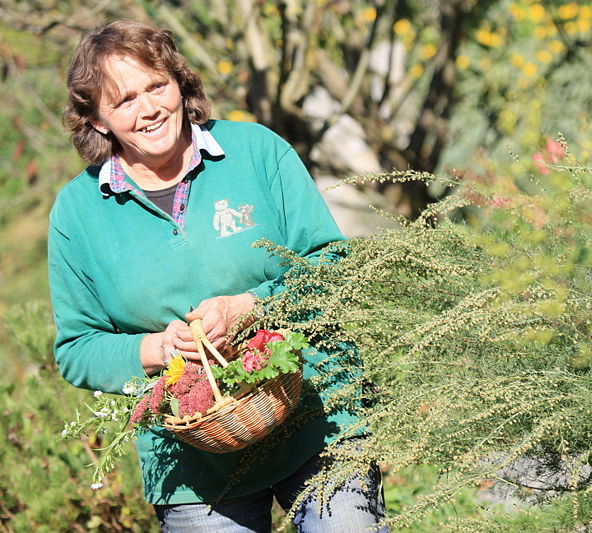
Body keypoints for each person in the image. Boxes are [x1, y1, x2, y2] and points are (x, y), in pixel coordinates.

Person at [49, 19, 387, 533]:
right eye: (123, 101)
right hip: (194, 467)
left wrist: (252, 307)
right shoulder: (77, 213)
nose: (148, 109)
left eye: (156, 86)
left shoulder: (257, 152)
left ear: (181, 84)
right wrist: (159, 349)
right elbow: (77, 349)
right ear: (96, 119)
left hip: (319, 420)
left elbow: (333, 272)